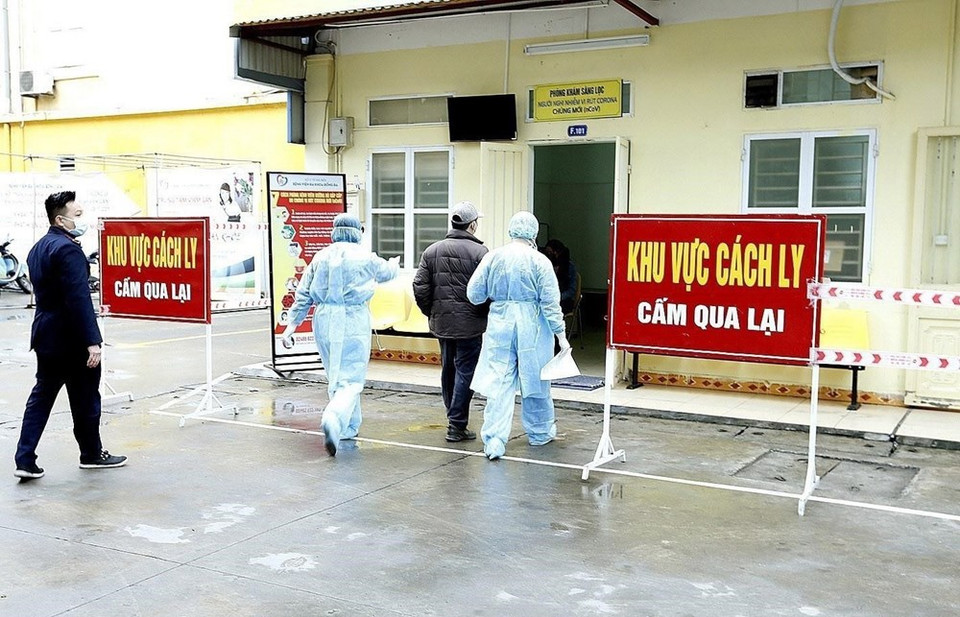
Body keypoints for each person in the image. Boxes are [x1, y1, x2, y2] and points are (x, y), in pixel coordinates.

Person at [14, 191, 127, 480]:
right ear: (60, 219)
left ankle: (25, 458)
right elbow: (78, 298)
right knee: (87, 398)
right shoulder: (68, 250)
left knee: (41, 398)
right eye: (77, 215)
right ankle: (91, 453)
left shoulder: (38, 248)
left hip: (45, 336)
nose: (82, 220)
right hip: (72, 340)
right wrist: (93, 341)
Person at [282, 213, 399, 456]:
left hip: (324, 319)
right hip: (353, 320)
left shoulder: (320, 256)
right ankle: (334, 418)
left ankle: (347, 427)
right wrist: (395, 263)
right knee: (352, 379)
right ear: (358, 231)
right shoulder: (364, 256)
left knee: (336, 375)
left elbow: (303, 293)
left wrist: (292, 325)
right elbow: (387, 273)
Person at [466, 211, 570, 460]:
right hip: (532, 326)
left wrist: (498, 296)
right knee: (536, 380)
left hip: (500, 324)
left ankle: (494, 440)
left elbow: (474, 294)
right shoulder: (540, 261)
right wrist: (561, 334)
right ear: (533, 232)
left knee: (499, 382)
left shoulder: (493, 257)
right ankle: (540, 432)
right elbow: (550, 303)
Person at [412, 201, 489, 442]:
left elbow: (419, 286)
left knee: (448, 370)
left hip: (443, 324)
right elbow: (487, 290)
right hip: (471, 325)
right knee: (466, 372)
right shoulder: (481, 253)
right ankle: (456, 424)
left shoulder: (432, 250)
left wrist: (432, 311)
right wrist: (481, 312)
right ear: (472, 225)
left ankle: (453, 417)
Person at [543, 239, 579, 314]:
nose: (550, 255)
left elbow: (572, 290)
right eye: (548, 253)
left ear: (557, 252)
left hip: (564, 300)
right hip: (549, 298)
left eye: (551, 252)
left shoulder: (569, 266)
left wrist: (559, 297)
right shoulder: (547, 266)